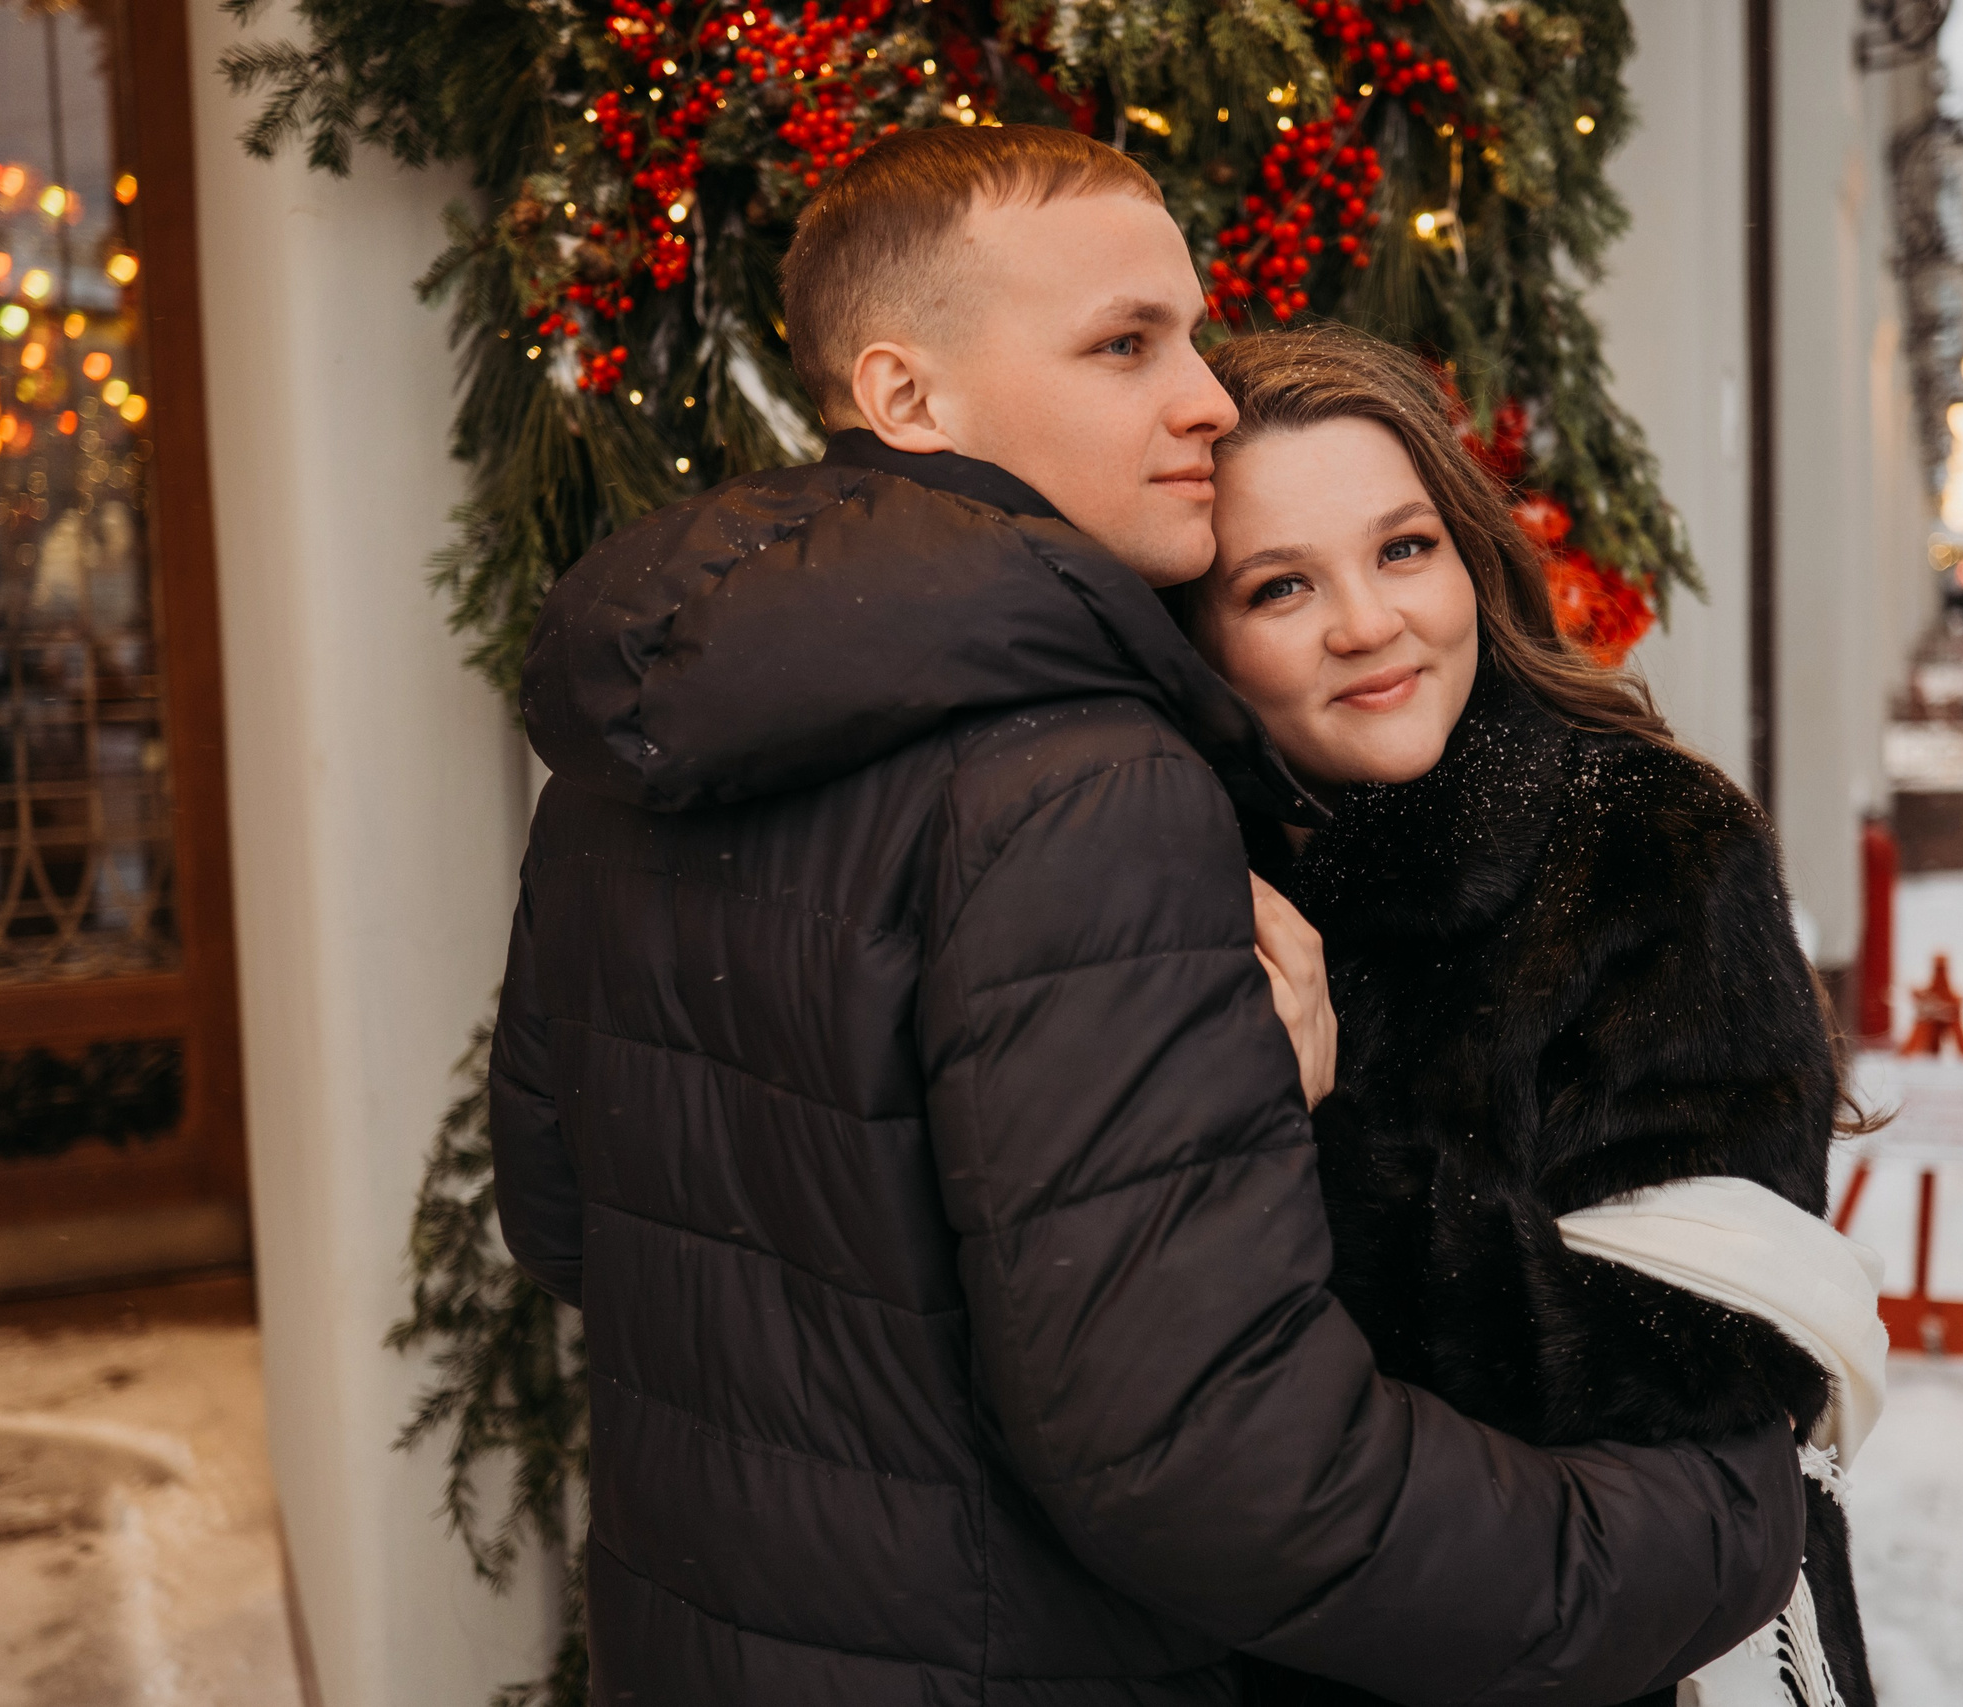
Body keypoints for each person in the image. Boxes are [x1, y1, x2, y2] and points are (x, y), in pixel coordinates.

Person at [490, 125, 1807, 1707]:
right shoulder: (1088, 782)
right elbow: (1199, 1459)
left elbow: (574, 1217)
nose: (1200, 394)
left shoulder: (626, 765)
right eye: (1125, 345)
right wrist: (1696, 1542)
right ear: (907, 395)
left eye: (1403, 548)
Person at [1173, 325, 1885, 1707]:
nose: (1368, 624)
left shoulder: (1647, 848)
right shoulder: (1173, 884)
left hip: (1616, 1655)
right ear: (1202, 640)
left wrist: (1317, 1142)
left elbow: (1712, 1354)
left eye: (1403, 549)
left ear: (1470, 554)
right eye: (1278, 586)